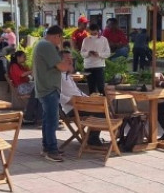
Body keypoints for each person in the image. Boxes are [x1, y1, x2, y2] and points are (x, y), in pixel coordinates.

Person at [33, 26, 73, 162]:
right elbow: (61, 67)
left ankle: (47, 147)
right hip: (48, 88)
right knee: (52, 121)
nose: (60, 42)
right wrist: (67, 63)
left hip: (45, 87)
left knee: (47, 120)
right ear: (57, 36)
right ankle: (52, 150)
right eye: (60, 38)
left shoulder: (42, 45)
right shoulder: (47, 46)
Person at [59, 50, 102, 146]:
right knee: (100, 111)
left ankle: (93, 137)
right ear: (60, 61)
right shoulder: (58, 76)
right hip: (73, 108)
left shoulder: (67, 75)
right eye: (67, 59)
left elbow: (78, 92)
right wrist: (73, 102)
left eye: (71, 58)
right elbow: (58, 95)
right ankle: (92, 138)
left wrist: (90, 99)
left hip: (82, 104)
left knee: (105, 106)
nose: (71, 61)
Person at [80, 22, 110, 95]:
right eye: (92, 33)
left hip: (99, 66)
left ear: (98, 31)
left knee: (101, 87)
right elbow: (82, 53)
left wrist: (99, 54)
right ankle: (93, 105)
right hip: (88, 66)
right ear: (89, 31)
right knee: (91, 88)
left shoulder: (104, 40)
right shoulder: (86, 40)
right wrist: (88, 53)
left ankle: (103, 104)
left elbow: (107, 53)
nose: (93, 35)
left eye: (95, 33)